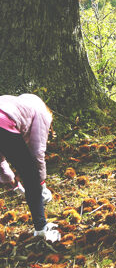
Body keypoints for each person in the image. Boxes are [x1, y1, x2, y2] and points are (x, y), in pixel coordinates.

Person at [0, 94, 60, 242]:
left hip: (4, 123)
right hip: (3, 125)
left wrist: (12, 183)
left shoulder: (18, 104)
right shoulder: (42, 113)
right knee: (31, 175)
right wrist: (41, 184)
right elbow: (37, 152)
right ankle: (41, 228)